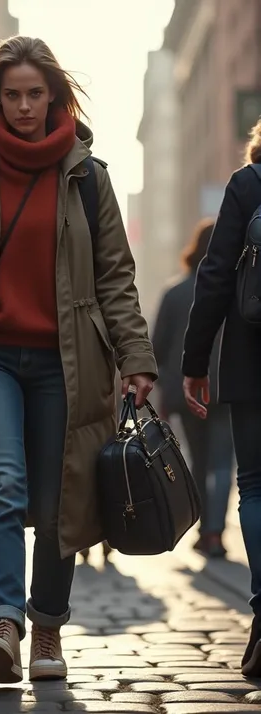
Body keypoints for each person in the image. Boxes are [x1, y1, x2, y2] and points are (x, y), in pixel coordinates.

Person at [0, 35, 157, 684]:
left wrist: (136, 356)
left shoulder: (87, 175)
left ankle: (46, 629)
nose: (22, 107)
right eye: (10, 95)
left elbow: (116, 276)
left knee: (59, 499)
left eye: (33, 94)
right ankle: (3, 625)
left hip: (67, 364)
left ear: (54, 96)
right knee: (5, 485)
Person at [182, 118, 261, 677]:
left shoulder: (247, 184)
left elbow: (213, 276)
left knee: (255, 484)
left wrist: (194, 363)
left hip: (250, 357)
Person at [153, 219, 234, 558]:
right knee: (220, 464)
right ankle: (214, 532)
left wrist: (163, 392)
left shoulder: (175, 293)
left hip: (186, 391)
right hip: (228, 389)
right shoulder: (235, 290)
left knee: (197, 461)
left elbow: (157, 346)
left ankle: (203, 525)